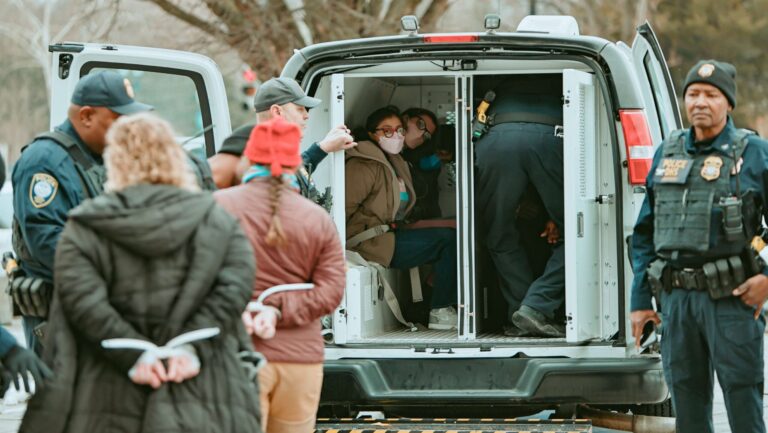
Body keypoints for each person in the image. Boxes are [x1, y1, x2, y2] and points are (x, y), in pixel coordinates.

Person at [19, 113, 260, 433]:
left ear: (114, 161)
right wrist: (191, 348)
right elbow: (234, 289)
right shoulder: (219, 221)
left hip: (106, 394)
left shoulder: (85, 226)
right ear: (174, 158)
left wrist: (134, 354)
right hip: (205, 389)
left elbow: (82, 302)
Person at [630, 60, 768, 433]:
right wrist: (640, 302)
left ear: (728, 104)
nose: (700, 102)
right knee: (687, 403)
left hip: (732, 299)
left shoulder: (754, 153)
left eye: (711, 94)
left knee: (742, 401)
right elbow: (645, 233)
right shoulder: (667, 152)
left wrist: (767, 279)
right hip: (677, 302)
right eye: (693, 94)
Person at [214, 117, 345, 433]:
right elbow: (332, 291)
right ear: (293, 163)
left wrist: (241, 308)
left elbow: (191, 280)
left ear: (249, 157)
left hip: (236, 356)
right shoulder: (317, 219)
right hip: (300, 362)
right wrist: (276, 308)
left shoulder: (215, 208)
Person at [10, 71, 152, 354]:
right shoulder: (44, 161)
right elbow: (47, 242)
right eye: (118, 121)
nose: (127, 131)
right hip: (58, 313)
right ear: (86, 116)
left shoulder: (96, 159)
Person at [346, 106, 458, 330]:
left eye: (398, 130)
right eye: (386, 131)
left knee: (452, 235)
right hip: (369, 242)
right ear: (371, 133)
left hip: (389, 234)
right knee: (448, 240)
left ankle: (435, 302)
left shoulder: (396, 162)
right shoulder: (364, 164)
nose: (395, 135)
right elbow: (343, 209)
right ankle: (441, 310)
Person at [474, 75, 565, 337]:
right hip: (552, 134)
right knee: (577, 233)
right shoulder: (563, 69)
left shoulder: (498, 72)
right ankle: (535, 307)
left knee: (497, 233)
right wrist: (554, 216)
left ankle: (521, 312)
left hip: (497, 136)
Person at [209, 77, 356, 194]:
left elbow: (294, 170)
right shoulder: (247, 156)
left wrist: (322, 147)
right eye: (300, 109)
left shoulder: (263, 154)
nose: (306, 116)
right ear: (277, 112)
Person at [401, 107, 442, 220]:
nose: (420, 135)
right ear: (406, 118)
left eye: (426, 136)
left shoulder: (409, 164)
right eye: (420, 124)